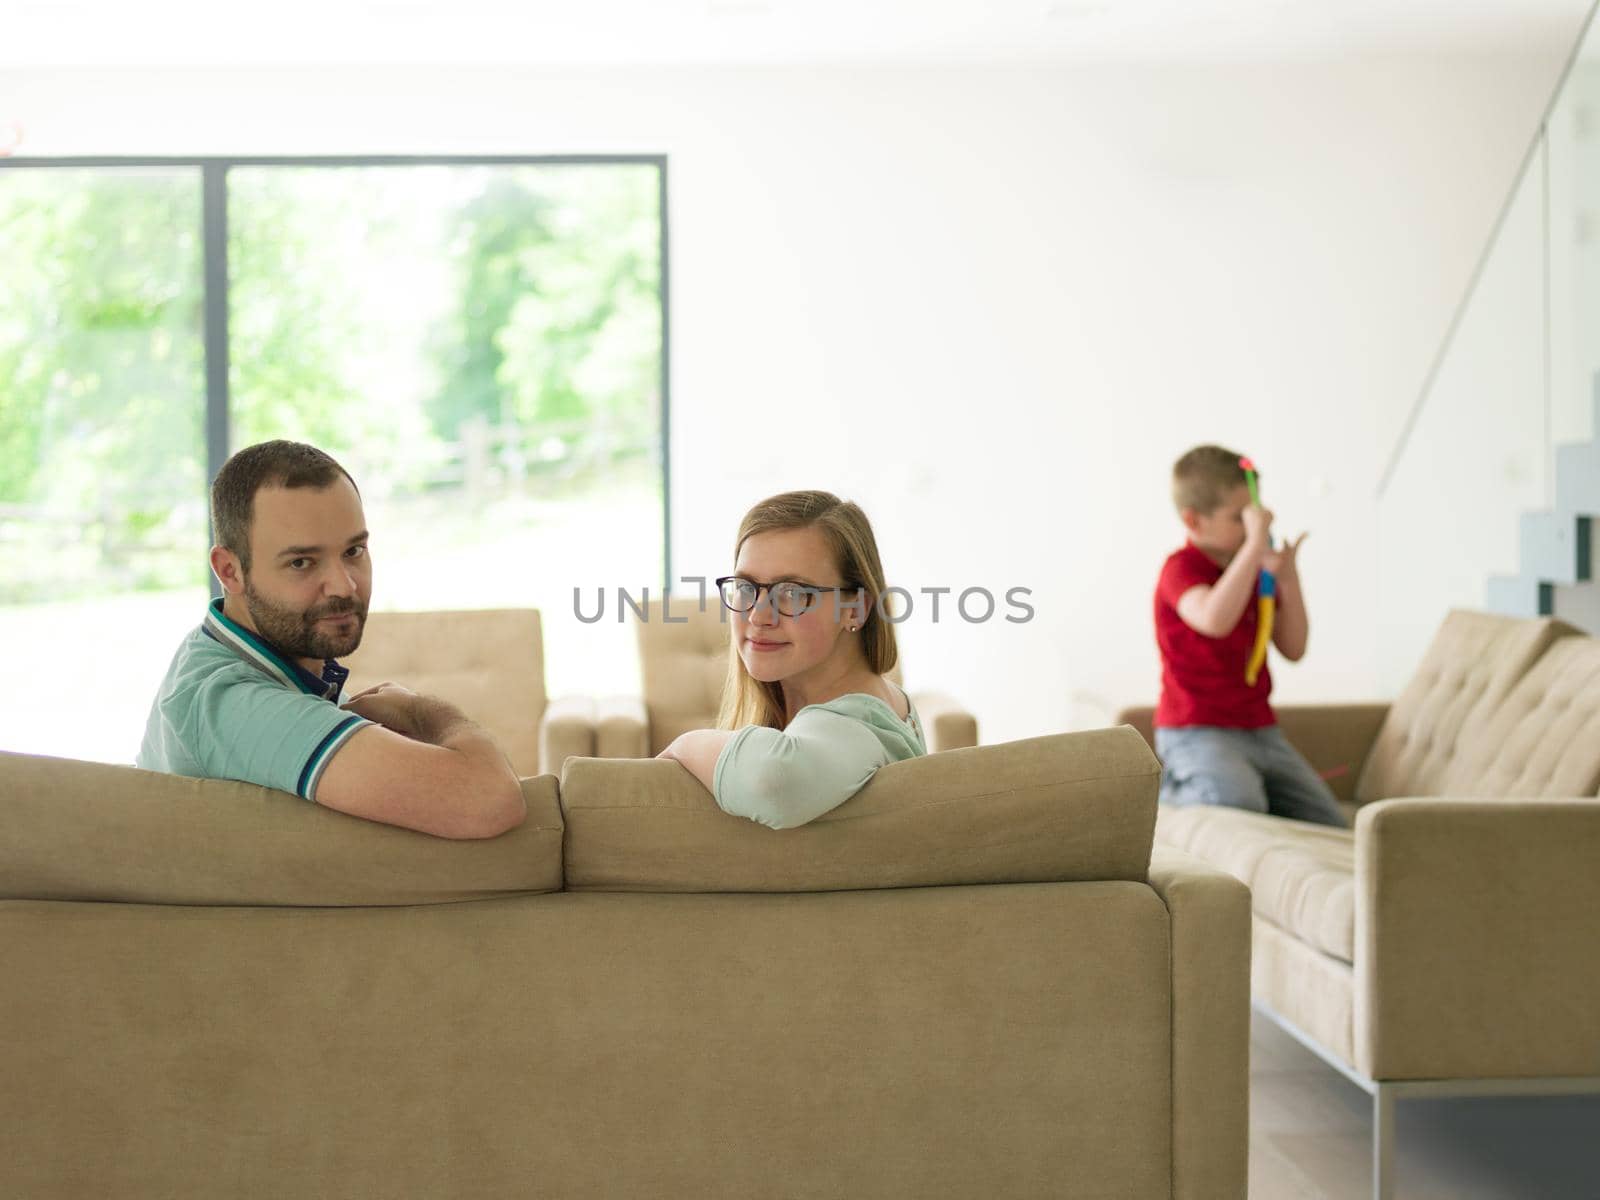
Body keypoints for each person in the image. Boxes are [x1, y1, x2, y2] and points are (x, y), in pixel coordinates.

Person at [137, 440, 525, 839]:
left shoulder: (232, 658)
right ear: (230, 571)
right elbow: (488, 800)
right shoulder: (232, 703)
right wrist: (417, 711)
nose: (344, 585)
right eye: (301, 562)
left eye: (354, 550)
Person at [656, 490, 926, 828]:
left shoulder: (860, 721)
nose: (758, 616)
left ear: (855, 608)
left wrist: (685, 744)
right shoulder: (880, 702)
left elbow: (775, 783)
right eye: (746, 586)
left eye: (793, 592)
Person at [1152, 445, 1345, 826]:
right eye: (1241, 518)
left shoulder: (1254, 569)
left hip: (1260, 730)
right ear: (1194, 521)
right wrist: (1254, 548)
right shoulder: (1181, 568)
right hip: (1197, 730)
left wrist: (1287, 578)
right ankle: (1171, 794)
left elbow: (1294, 647)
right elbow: (1213, 618)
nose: (1258, 526)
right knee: (1238, 808)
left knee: (1328, 824)